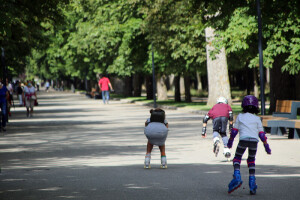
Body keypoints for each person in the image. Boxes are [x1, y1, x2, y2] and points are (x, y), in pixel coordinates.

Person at [227, 95, 271, 195]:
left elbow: (234, 131)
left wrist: (230, 141)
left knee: (237, 158)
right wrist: (266, 146)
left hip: (243, 140)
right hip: (254, 142)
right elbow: (262, 134)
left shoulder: (240, 116)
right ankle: (252, 184)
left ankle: (237, 176)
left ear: (243, 106)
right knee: (251, 160)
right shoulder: (257, 119)